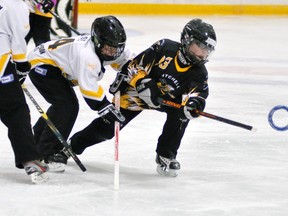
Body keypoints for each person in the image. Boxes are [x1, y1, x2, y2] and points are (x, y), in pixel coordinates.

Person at [65, 18, 217, 177]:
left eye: (206, 50)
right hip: (137, 94)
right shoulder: (165, 48)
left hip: (166, 99)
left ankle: (166, 154)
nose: (202, 54)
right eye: (198, 47)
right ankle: (72, 146)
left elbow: (198, 93)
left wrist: (194, 104)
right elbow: (134, 66)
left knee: (181, 115)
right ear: (186, 41)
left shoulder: (200, 73)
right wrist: (143, 83)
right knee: (109, 127)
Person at [27, 15, 131, 171]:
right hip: (41, 65)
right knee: (66, 106)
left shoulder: (109, 48)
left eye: (117, 48)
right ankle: (47, 152)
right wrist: (105, 107)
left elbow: (129, 62)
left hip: (56, 66)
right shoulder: (87, 56)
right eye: (108, 48)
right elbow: (89, 90)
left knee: (62, 105)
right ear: (97, 42)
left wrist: (126, 73)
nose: (112, 53)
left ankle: (34, 143)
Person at [0, 0, 49, 183]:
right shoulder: (17, 5)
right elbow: (18, 41)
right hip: (1, 63)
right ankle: (30, 159)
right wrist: (21, 66)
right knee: (15, 110)